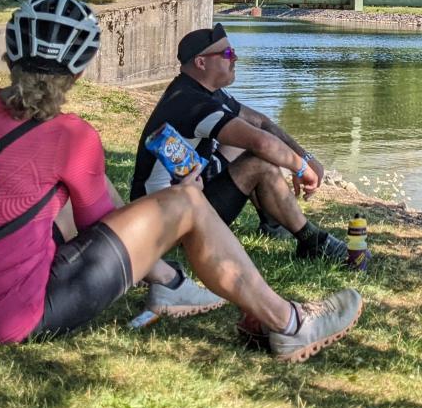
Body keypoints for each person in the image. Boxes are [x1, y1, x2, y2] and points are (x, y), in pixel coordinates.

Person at [0, 0, 362, 358]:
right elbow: (107, 228)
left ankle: (179, 289)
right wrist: (176, 221)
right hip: (3, 316)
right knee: (187, 202)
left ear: (11, 55)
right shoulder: (71, 136)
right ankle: (288, 323)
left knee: (66, 198)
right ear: (78, 71)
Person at [129, 25, 346, 262]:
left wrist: (306, 158)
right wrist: (302, 170)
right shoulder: (193, 104)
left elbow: (260, 123)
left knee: (245, 144)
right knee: (258, 161)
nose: (236, 58)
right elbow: (262, 143)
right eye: (228, 55)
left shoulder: (204, 92)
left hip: (182, 198)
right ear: (201, 63)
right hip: (166, 221)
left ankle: (273, 222)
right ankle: (313, 242)